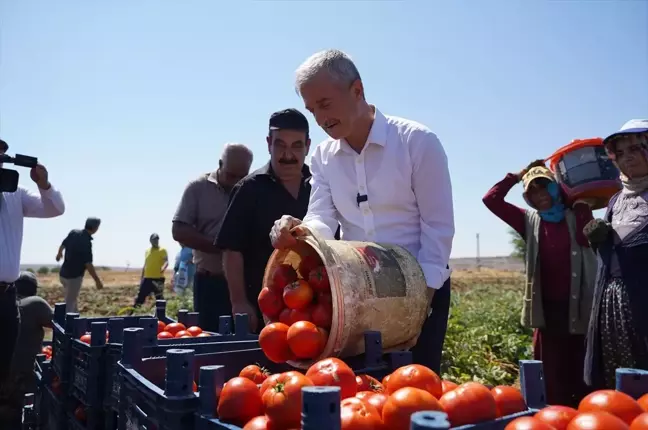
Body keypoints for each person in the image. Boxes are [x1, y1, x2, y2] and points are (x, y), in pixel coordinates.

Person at [270, 50, 454, 374]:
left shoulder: (417, 142)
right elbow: (322, 219)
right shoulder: (323, 157)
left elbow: (437, 227)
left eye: (325, 104)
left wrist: (420, 298)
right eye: (312, 110)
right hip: (357, 290)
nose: (321, 119)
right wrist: (299, 230)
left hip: (424, 284)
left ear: (357, 90)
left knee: (414, 390)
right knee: (364, 393)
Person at [482, 160, 596, 406]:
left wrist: (580, 205)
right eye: (532, 191)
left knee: (583, 369)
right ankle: (554, 416)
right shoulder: (529, 221)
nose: (539, 195)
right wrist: (516, 175)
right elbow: (491, 200)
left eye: (545, 188)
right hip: (549, 310)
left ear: (556, 189)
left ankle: (586, 415)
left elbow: (589, 240)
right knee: (551, 372)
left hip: (581, 308)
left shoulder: (577, 213)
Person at [217, 109, 314, 333]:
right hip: (264, 306)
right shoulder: (249, 189)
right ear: (269, 143)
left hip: (314, 307)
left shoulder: (319, 186)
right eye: (280, 145)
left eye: (296, 146)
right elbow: (231, 250)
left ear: (308, 145)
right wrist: (239, 302)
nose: (287, 154)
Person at [584, 119, 648, 389]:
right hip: (611, 305)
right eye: (619, 153)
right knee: (617, 382)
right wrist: (599, 240)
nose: (627, 157)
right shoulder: (616, 200)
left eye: (635, 148)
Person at [0, 138, 64, 387]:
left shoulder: (15, 194)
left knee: (3, 367)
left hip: (6, 296)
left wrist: (44, 184)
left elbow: (55, 208)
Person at [172, 143, 253, 331]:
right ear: (219, 164)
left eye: (241, 177)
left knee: (243, 342)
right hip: (210, 283)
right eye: (230, 176)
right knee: (209, 338)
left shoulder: (251, 188)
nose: (235, 182)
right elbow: (179, 230)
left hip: (244, 284)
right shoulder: (198, 188)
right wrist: (223, 246)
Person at [0, 272, 52, 428]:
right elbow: (61, 324)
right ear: (34, 289)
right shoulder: (35, 303)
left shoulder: (6, 306)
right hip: (22, 382)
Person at [56, 217, 104, 313]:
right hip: (74, 277)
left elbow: (63, 244)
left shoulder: (73, 233)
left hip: (63, 275)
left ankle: (75, 318)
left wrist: (59, 254)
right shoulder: (86, 242)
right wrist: (97, 280)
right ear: (95, 228)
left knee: (71, 300)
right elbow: (88, 264)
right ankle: (69, 324)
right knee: (70, 303)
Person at [133, 233, 168, 308]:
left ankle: (162, 315)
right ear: (150, 241)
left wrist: (163, 267)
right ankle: (133, 313)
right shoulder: (147, 251)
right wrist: (142, 277)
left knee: (159, 298)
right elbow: (145, 265)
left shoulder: (162, 250)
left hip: (158, 278)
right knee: (140, 297)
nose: (156, 241)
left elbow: (166, 261)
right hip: (147, 278)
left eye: (157, 239)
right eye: (154, 240)